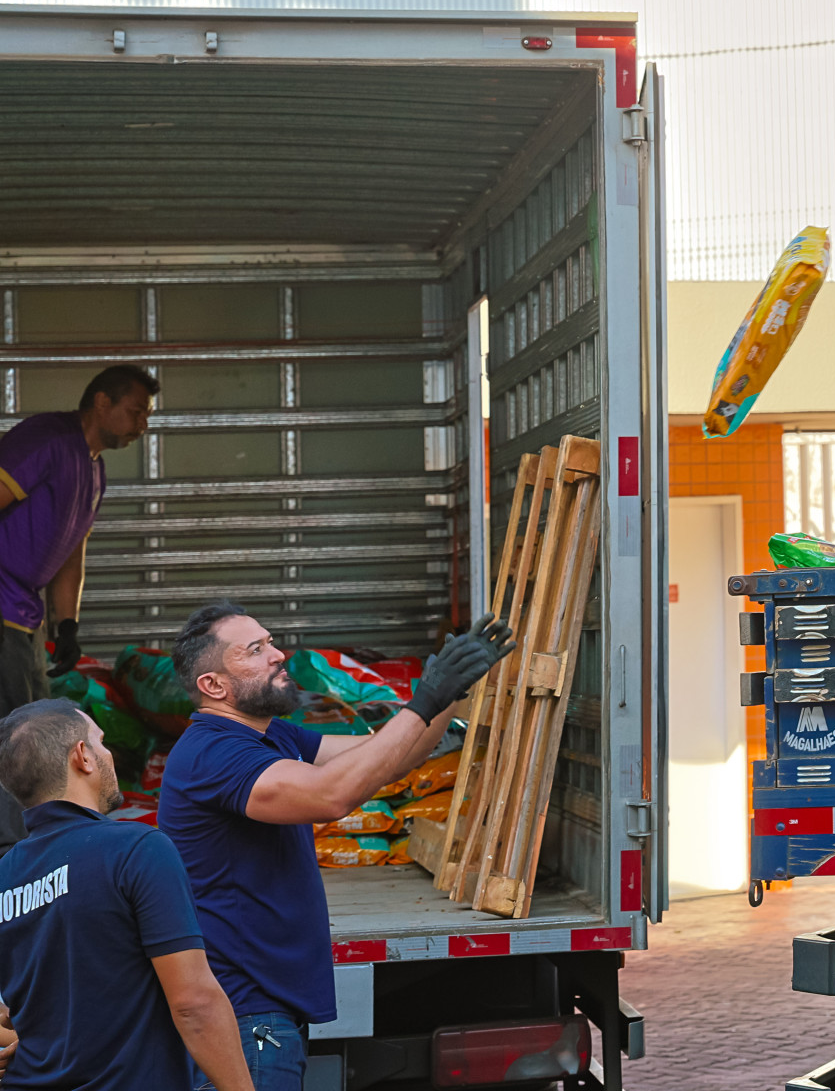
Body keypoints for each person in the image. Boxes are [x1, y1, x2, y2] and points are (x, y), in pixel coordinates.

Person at [159, 604, 514, 1091]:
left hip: (266, 1006)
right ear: (214, 686)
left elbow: (386, 762)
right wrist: (425, 699)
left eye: (271, 641)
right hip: (244, 1013)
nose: (278, 655)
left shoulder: (270, 734)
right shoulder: (212, 754)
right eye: (256, 650)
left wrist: (447, 695)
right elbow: (331, 795)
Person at [0, 699, 253, 1089]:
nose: (109, 754)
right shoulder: (135, 849)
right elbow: (194, 1003)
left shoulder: (5, 874)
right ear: (82, 757)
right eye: (101, 742)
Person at [0, 364, 158, 852]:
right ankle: (13, 850)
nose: (142, 427)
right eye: (136, 412)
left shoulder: (92, 469)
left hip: (25, 612)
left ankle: (32, 842)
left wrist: (67, 624)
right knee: (15, 732)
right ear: (102, 404)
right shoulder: (47, 439)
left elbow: (71, 553)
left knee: (39, 729)